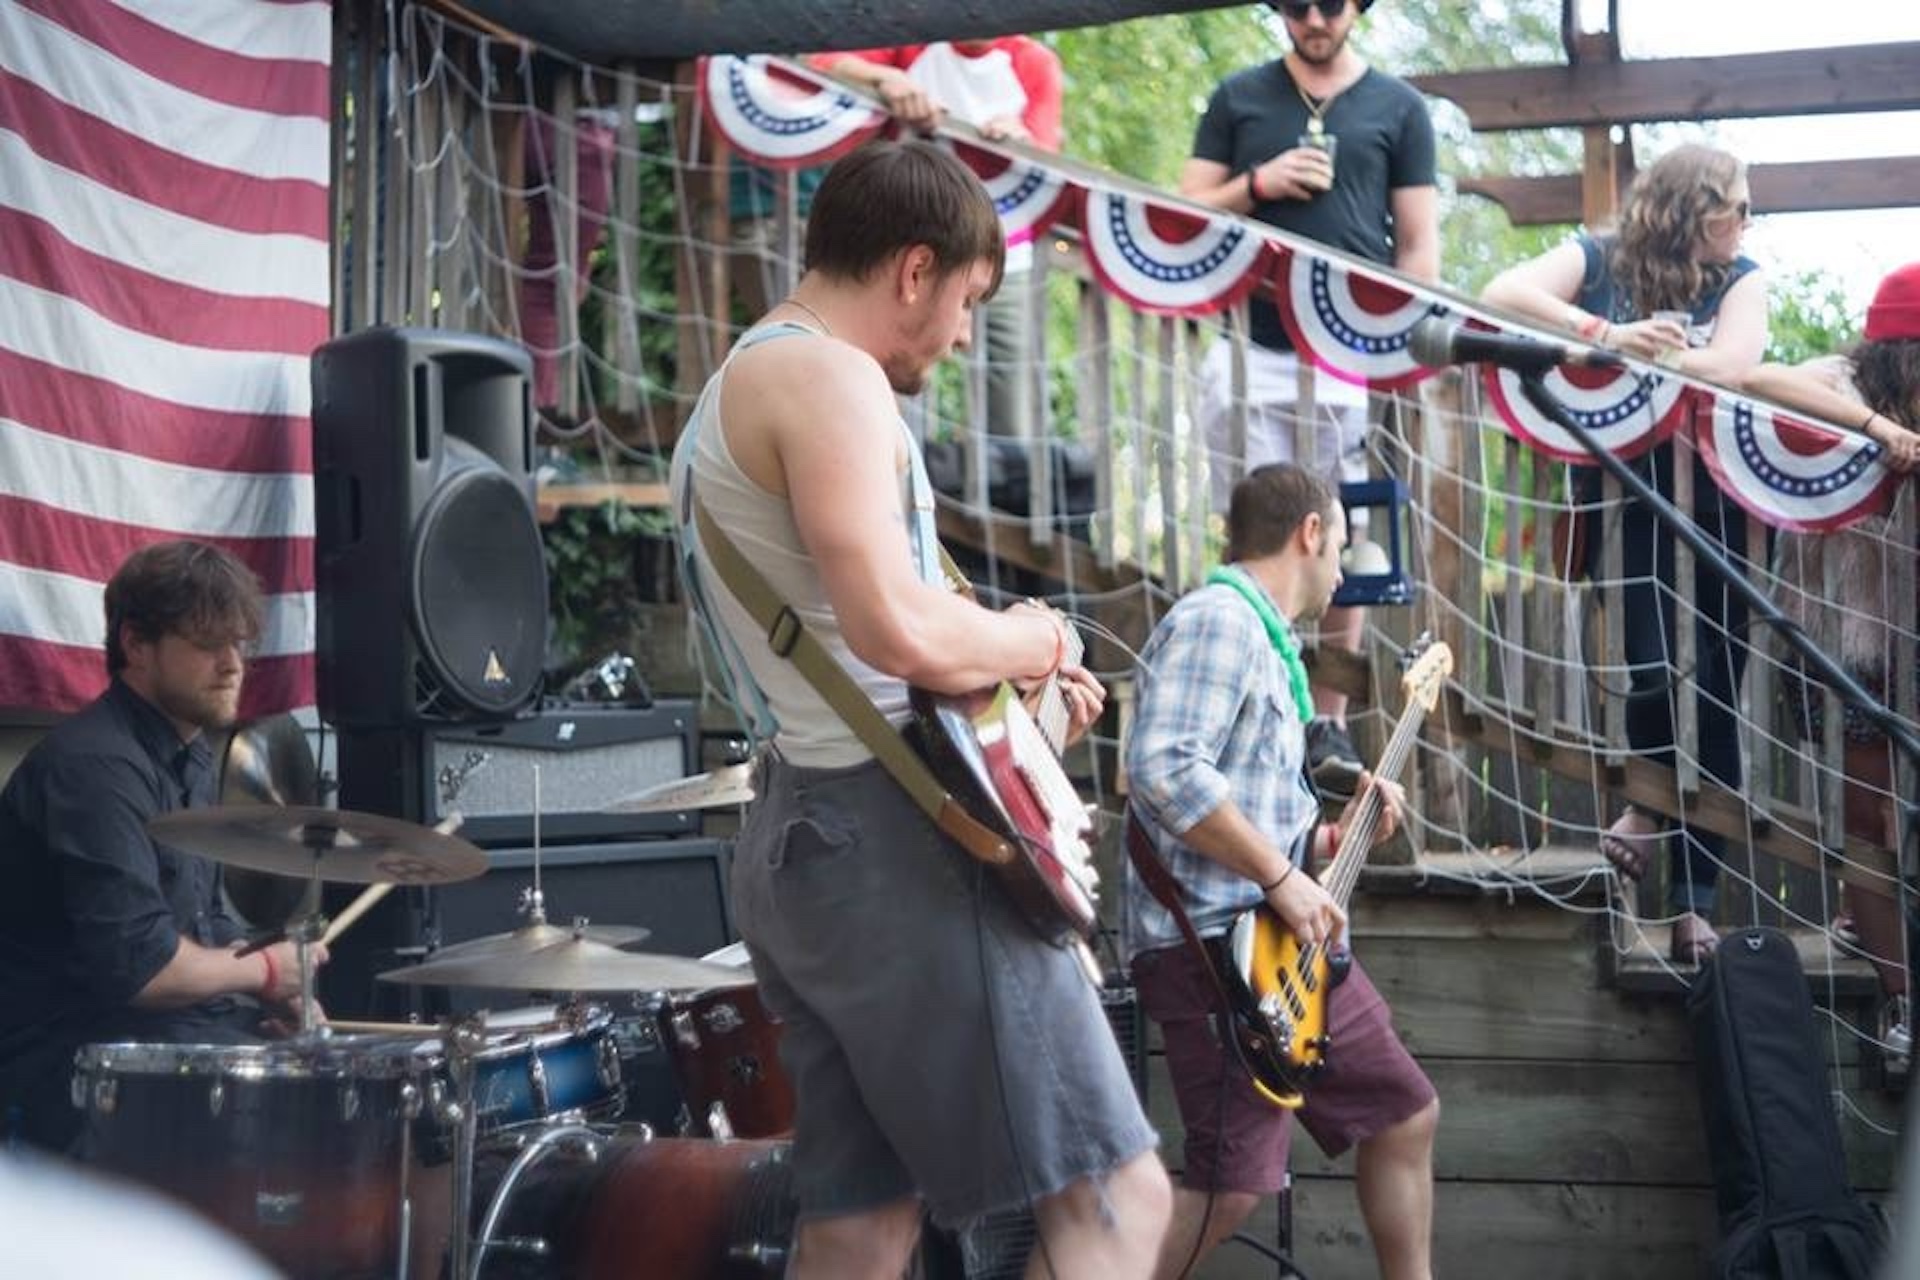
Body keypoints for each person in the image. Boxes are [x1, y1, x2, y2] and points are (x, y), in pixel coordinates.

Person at [669, 139, 1169, 1277]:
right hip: (896, 842)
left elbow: (855, 644)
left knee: (862, 1227)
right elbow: (895, 630)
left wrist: (1015, 711)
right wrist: (1042, 637)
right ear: (913, 269)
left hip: (807, 843)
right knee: (1117, 1203)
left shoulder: (737, 387)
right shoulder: (829, 376)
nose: (962, 336)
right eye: (969, 300)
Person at [1124, 462, 1436, 1280]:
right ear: (1310, 533)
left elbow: (1242, 818)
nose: (1341, 574)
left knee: (1403, 1115)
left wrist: (1326, 843)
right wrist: (1277, 876)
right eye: (1341, 550)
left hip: (1280, 950)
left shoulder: (1266, 643)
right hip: (1214, 954)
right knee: (1229, 1190)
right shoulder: (1220, 622)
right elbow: (1163, 769)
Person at [1481, 143, 1769, 965]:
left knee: (1716, 690)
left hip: (1722, 508)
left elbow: (1734, 365)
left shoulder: (1742, 276)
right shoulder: (1600, 257)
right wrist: (1605, 333)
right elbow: (1501, 293)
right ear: (1694, 209)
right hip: (1624, 501)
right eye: (1739, 207)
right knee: (1652, 668)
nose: (1748, 223)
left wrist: (1652, 356)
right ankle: (1647, 806)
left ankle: (1693, 901)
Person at [1178, 0, 1440, 793]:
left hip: (1347, 352)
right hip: (1249, 344)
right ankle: (1254, 701)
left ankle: (1326, 720)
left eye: (1329, 4)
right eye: (1296, 6)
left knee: (1340, 528)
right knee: (1254, 528)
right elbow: (1184, 209)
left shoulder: (1399, 107)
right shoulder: (1239, 97)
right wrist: (1258, 183)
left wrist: (1398, 340)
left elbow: (1419, 247)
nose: (1314, 19)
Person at [0, 540, 320, 1153]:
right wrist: (265, 970)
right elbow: (142, 968)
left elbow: (202, 924)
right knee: (306, 1119)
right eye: (209, 643)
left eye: (240, 644)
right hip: (74, 1072)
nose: (232, 664)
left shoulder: (188, 754)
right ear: (137, 645)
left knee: (329, 1069)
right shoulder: (95, 768)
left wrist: (281, 994)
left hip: (161, 1038)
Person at [1744, 261, 1920, 1069]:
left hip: (1908, 641)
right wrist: (1876, 429)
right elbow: (1757, 380)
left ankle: (1866, 919)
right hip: (1842, 645)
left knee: (1894, 816)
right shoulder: (1843, 383)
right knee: (1867, 814)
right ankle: (1901, 999)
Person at [813, 38, 1064, 440]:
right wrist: (884, 78)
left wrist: (1023, 142)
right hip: (908, 252)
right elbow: (822, 61)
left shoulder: (1034, 61)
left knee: (1009, 396)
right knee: (893, 376)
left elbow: (1048, 156)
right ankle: (893, 463)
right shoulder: (912, 39)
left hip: (1002, 256)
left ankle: (999, 475)